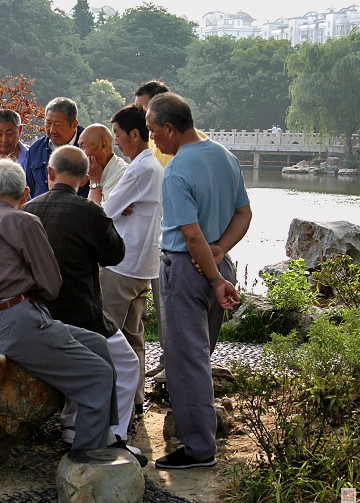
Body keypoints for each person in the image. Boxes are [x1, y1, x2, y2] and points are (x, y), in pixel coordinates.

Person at [0, 158, 118, 451]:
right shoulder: (24, 221)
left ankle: (106, 434)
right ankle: (88, 460)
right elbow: (51, 284)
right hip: (18, 323)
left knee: (97, 343)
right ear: (25, 194)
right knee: (98, 376)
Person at [146, 92, 251, 469]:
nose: (152, 138)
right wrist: (220, 251)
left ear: (170, 128)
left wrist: (212, 276)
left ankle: (198, 449)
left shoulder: (177, 170)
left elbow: (190, 236)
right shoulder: (224, 156)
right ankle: (199, 437)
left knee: (185, 359)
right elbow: (244, 213)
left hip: (189, 271)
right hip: (218, 266)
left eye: (153, 130)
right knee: (199, 355)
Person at [22, 146, 142, 453]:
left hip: (38, 312)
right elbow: (115, 254)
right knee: (127, 365)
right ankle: (114, 434)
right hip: (81, 311)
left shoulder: (29, 210)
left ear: (49, 174)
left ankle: (72, 424)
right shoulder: (88, 211)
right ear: (86, 177)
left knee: (82, 361)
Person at [133, 80, 209, 382]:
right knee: (165, 307)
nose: (141, 116)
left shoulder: (194, 148)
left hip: (184, 244)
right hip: (158, 238)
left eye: (143, 109)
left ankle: (183, 371)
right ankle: (171, 363)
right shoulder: (153, 144)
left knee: (183, 312)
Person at [98, 105, 163, 419]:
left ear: (135, 135)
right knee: (134, 336)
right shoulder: (153, 167)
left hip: (122, 265)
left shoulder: (139, 168)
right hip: (144, 264)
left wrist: (98, 185)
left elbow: (105, 211)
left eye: (119, 136)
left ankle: (112, 403)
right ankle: (136, 399)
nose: (117, 143)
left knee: (107, 334)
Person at [25, 97, 87, 199]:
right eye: (48, 123)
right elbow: (31, 185)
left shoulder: (87, 146)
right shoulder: (36, 149)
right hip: (41, 211)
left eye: (58, 125)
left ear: (74, 124)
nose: (52, 130)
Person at [78, 123, 129, 203]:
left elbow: (99, 213)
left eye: (83, 147)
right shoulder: (93, 171)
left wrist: (94, 181)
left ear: (103, 145)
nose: (81, 154)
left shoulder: (122, 174)